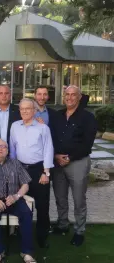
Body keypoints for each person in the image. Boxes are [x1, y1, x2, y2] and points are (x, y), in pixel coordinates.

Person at [50, 85, 97, 247]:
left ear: (79, 97)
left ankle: (79, 231)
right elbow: (52, 138)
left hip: (77, 162)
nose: (69, 97)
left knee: (78, 199)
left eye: (73, 95)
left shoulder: (87, 117)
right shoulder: (57, 115)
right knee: (60, 197)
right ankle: (62, 224)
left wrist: (69, 158)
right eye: (67, 94)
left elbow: (87, 143)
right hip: (58, 163)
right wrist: (56, 155)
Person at [9, 98, 54, 248]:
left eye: (28, 109)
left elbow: (48, 150)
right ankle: (21, 233)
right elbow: (13, 149)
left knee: (42, 206)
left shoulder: (43, 128)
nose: (25, 111)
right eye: (22, 109)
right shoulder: (15, 126)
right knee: (21, 204)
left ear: (34, 111)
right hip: (20, 169)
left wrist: (46, 172)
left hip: (38, 170)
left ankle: (42, 237)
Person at [0, 138, 36, 263]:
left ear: (7, 150)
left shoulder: (15, 163)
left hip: (14, 199)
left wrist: (16, 196)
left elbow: (25, 184)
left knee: (26, 213)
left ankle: (27, 252)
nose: (0, 149)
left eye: (3, 146)